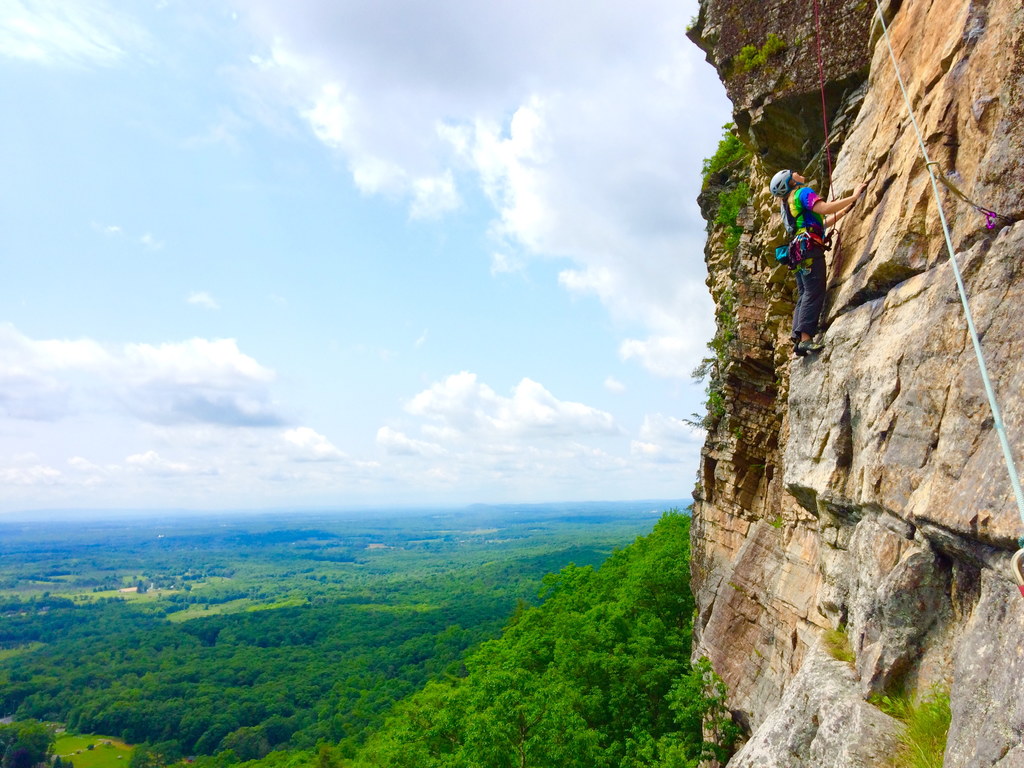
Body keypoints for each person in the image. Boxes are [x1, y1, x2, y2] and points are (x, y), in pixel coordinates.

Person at [769, 170, 866, 356]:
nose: (797, 173)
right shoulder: (802, 193)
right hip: (809, 249)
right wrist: (853, 196)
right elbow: (824, 208)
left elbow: (817, 223)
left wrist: (845, 211)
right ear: (790, 182)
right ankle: (806, 338)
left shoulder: (788, 203)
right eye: (793, 173)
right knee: (813, 291)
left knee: (804, 293)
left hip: (798, 251)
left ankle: (797, 341)